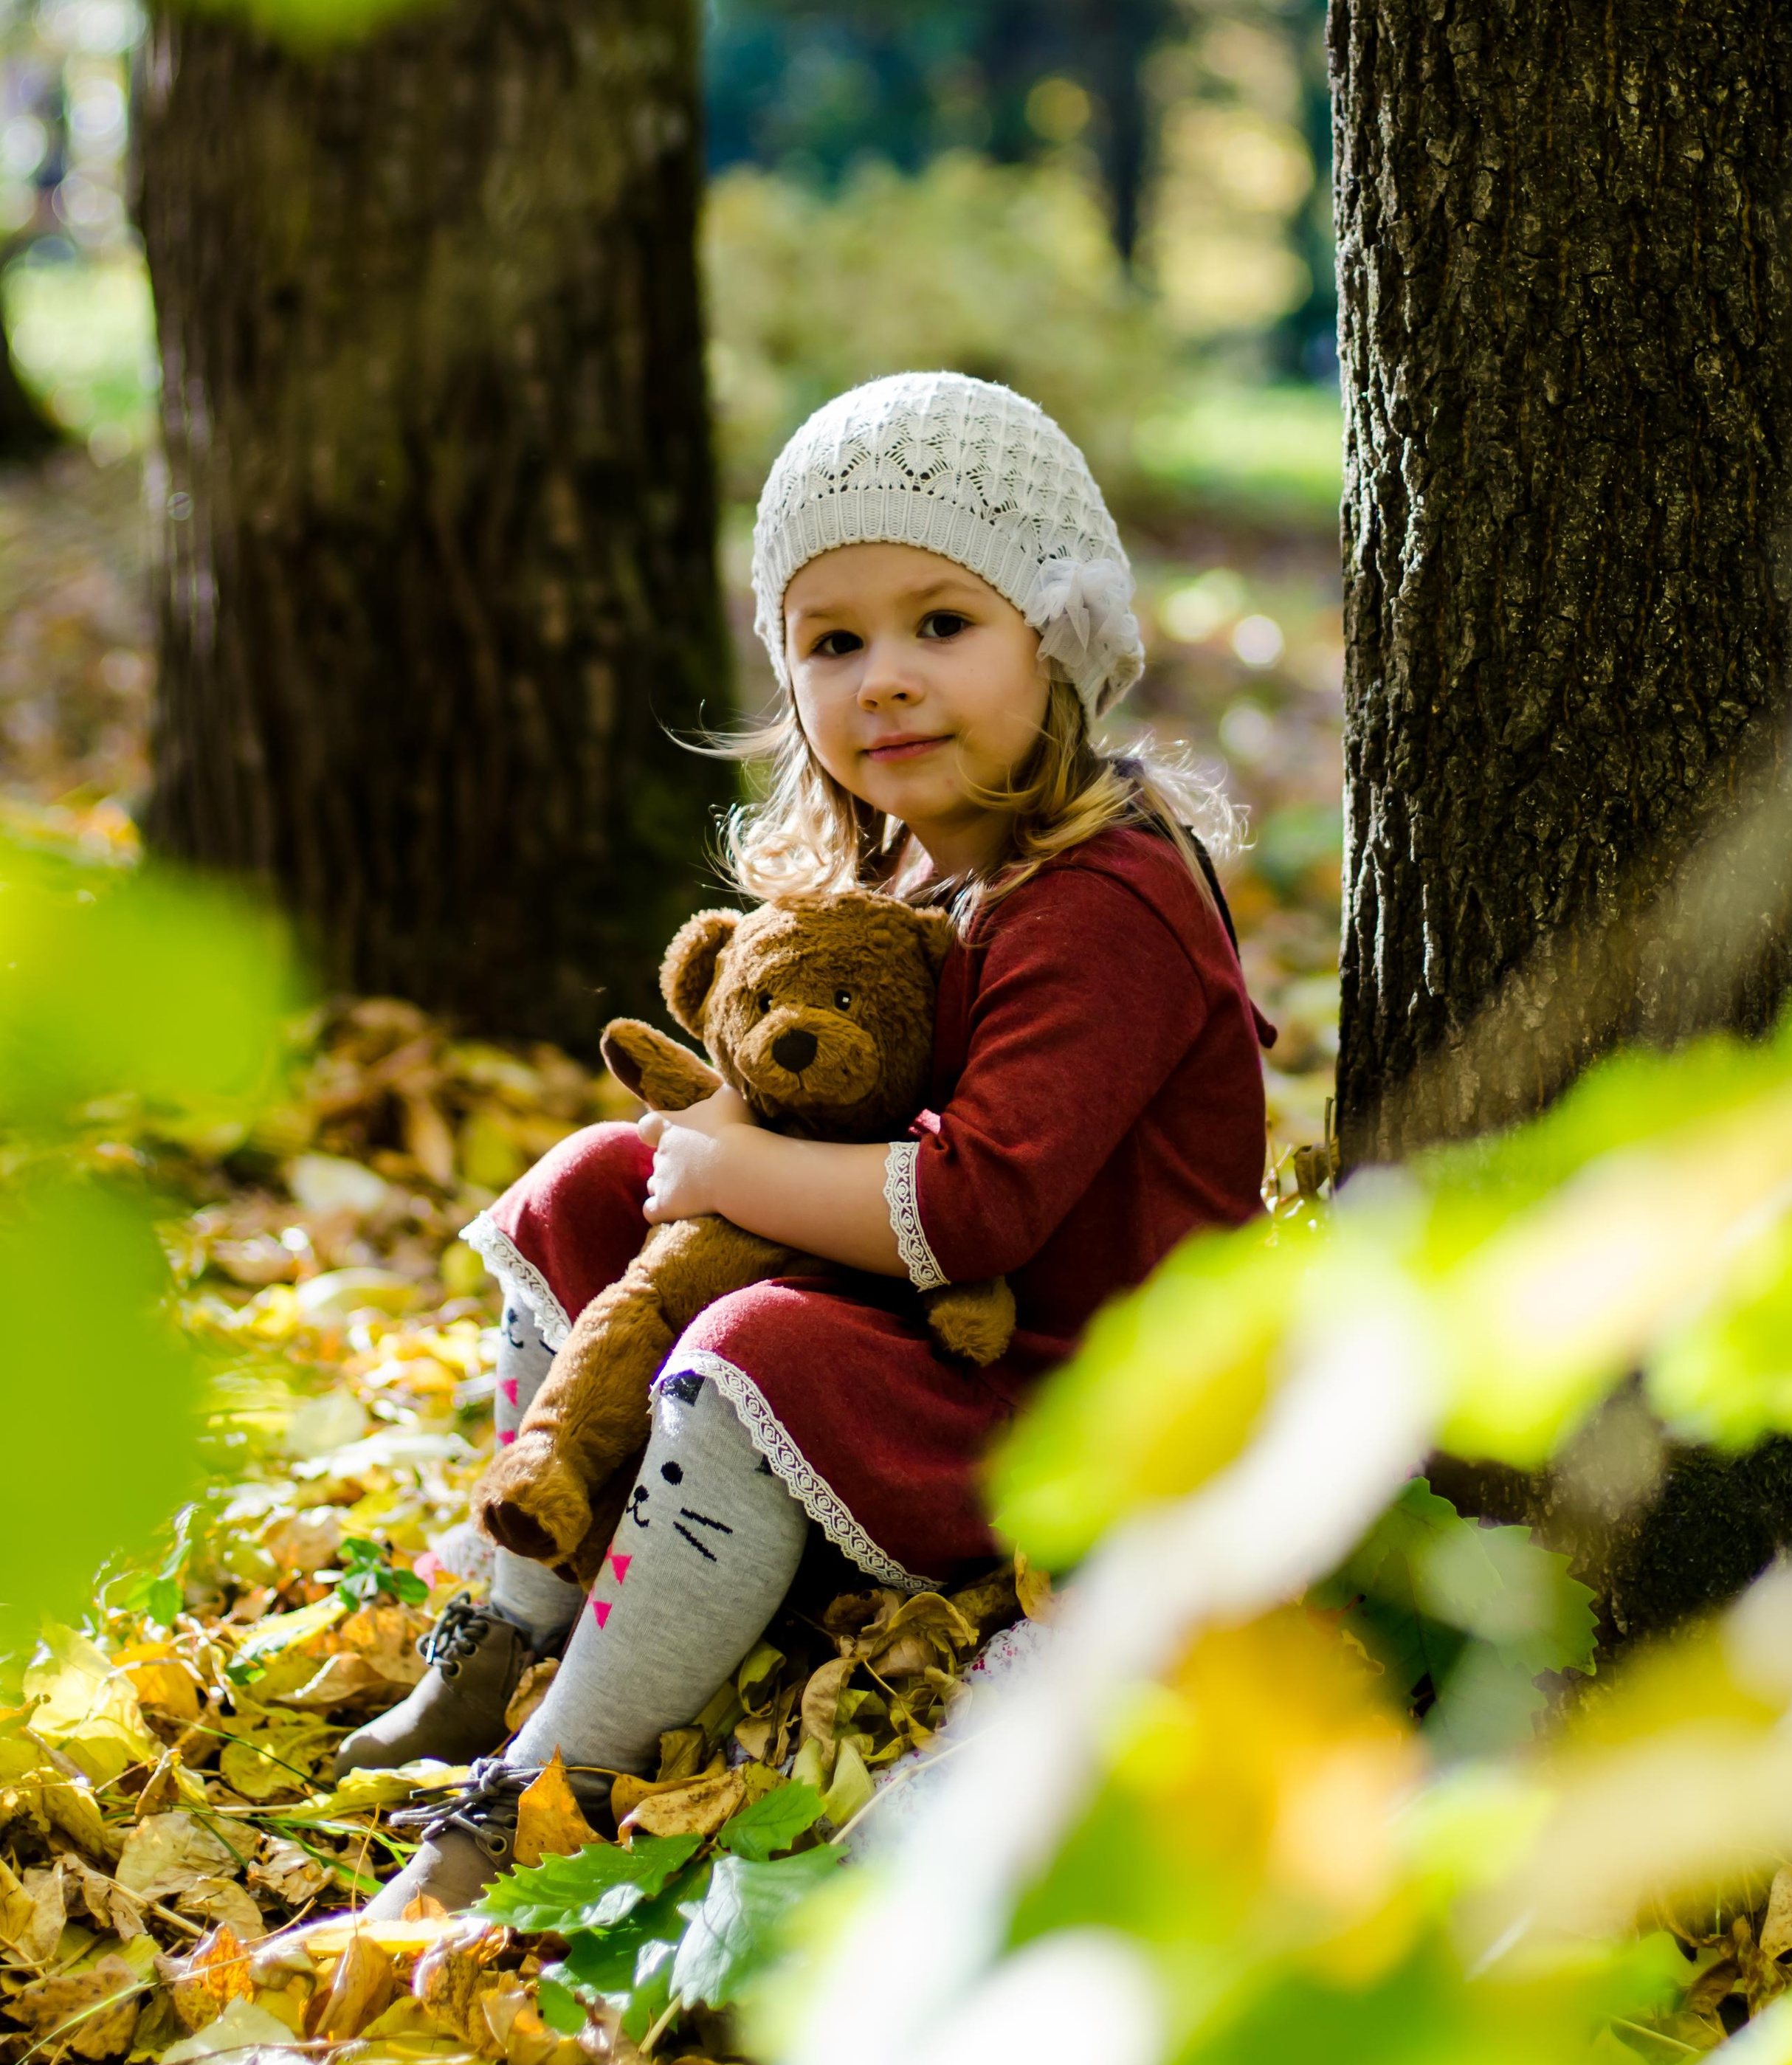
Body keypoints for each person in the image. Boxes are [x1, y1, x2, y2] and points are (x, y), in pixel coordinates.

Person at [347, 370, 1271, 1911]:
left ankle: (543, 1785)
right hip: (937, 1340)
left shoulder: (1103, 894)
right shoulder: (900, 876)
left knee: (759, 1336)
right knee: (588, 1185)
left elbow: (975, 1205)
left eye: (940, 624)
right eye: (832, 642)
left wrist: (722, 1166)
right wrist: (701, 1154)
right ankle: (510, 1622)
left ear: (1059, 635)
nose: (884, 680)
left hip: (1072, 1395)